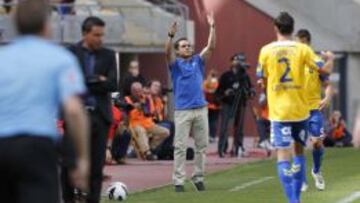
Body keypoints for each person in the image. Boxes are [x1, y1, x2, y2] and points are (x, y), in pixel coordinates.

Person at [0, 1, 89, 203]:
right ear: (47, 24)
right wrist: (82, 159)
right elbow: (74, 111)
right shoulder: (60, 59)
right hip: (36, 145)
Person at [256, 12, 334, 203]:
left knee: (283, 155)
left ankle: (293, 200)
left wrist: (267, 85)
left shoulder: (266, 50)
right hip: (300, 110)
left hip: (279, 111)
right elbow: (323, 70)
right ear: (292, 28)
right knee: (299, 151)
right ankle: (297, 196)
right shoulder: (303, 50)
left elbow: (260, 77)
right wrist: (331, 58)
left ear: (275, 28)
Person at [66, 16, 118, 203]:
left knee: (96, 168)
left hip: (99, 116)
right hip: (75, 115)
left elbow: (112, 84)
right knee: (69, 164)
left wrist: (86, 80)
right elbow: (70, 82)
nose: (100, 39)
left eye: (102, 35)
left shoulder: (109, 54)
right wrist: (97, 79)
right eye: (96, 35)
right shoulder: (71, 53)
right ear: (85, 34)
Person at [165, 12, 215, 192]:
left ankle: (198, 177)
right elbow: (167, 52)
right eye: (184, 46)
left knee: (201, 146)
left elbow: (211, 47)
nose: (188, 48)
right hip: (183, 111)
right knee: (180, 147)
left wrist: (212, 27)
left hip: (201, 109)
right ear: (178, 50)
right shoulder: (175, 64)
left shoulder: (198, 61)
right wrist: (171, 36)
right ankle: (178, 181)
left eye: (189, 45)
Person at [295, 29, 334, 192]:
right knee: (298, 145)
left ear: (307, 43)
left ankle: (316, 171)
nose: (299, 46)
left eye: (301, 43)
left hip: (314, 110)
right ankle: (302, 180)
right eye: (297, 43)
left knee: (317, 143)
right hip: (297, 110)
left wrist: (327, 98)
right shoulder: (293, 63)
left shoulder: (315, 62)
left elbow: (327, 83)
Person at [216, 54, 254, 158]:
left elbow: (250, 88)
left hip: (241, 103)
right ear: (231, 62)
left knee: (239, 128)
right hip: (228, 104)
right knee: (225, 127)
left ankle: (238, 147)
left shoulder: (245, 76)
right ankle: (222, 149)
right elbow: (218, 92)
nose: (239, 63)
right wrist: (225, 93)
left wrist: (250, 92)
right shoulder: (226, 76)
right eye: (237, 60)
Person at [125, 82, 170, 160]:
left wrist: (144, 106)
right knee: (141, 131)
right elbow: (125, 114)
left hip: (148, 123)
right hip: (135, 124)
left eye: (140, 91)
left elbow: (149, 113)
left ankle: (151, 147)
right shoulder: (127, 99)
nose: (138, 93)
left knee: (166, 132)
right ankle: (147, 153)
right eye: (136, 91)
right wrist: (134, 107)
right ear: (132, 91)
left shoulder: (146, 99)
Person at [203, 69, 220, 143]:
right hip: (215, 105)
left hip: (206, 105)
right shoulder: (217, 83)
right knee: (214, 121)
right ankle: (212, 136)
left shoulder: (206, 82)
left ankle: (206, 136)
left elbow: (203, 91)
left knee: (206, 121)